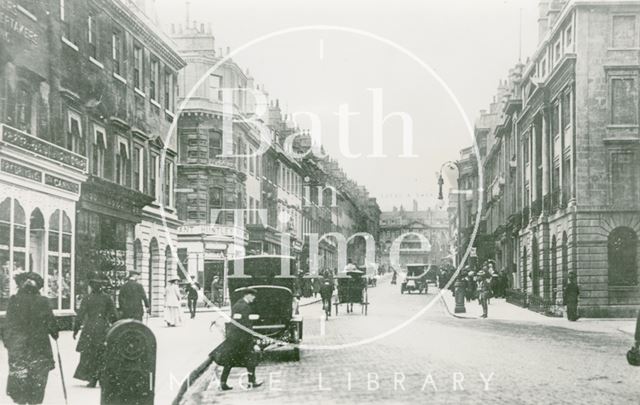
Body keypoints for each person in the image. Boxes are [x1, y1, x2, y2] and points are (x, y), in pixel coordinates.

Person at [3, 272, 59, 404]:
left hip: (18, 347)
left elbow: (6, 325)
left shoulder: (14, 300)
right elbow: (52, 325)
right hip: (39, 347)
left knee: (20, 377)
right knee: (38, 378)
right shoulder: (43, 301)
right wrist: (55, 333)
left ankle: (21, 401)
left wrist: (8, 342)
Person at [210, 288, 262, 391]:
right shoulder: (245, 307)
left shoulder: (237, 305)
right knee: (251, 358)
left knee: (229, 360)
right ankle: (252, 381)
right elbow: (246, 326)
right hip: (243, 339)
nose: (254, 298)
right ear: (247, 295)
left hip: (234, 338)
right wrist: (253, 342)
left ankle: (223, 382)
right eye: (252, 296)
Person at [73, 275, 118, 387]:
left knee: (89, 353)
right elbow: (114, 315)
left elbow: (80, 315)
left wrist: (76, 329)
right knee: (102, 353)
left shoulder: (87, 298)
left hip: (89, 327)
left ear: (91, 287)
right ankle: (102, 377)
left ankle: (91, 378)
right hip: (103, 327)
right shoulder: (107, 298)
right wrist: (115, 326)